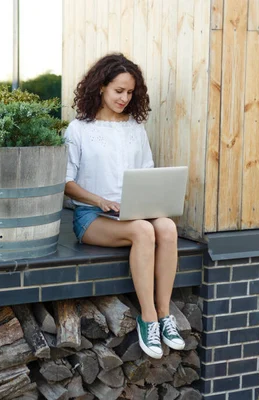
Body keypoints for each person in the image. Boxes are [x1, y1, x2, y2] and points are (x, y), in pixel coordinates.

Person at [64, 53, 184, 359]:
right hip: (93, 216)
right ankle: (148, 318)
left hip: (131, 212)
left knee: (167, 227)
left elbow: (147, 172)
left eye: (130, 93)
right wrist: (99, 200)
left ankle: (164, 312)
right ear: (101, 87)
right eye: (119, 91)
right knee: (144, 232)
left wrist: (152, 202)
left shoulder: (135, 128)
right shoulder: (79, 129)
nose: (124, 98)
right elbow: (66, 183)